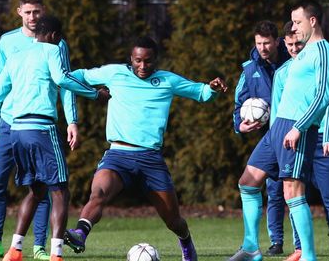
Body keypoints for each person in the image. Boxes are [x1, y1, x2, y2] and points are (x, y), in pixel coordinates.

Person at [64, 36, 228, 261]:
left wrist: (213, 88)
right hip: (118, 154)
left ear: (156, 60)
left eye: (148, 61)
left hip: (151, 159)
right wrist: (92, 93)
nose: (143, 66)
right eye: (138, 61)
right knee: (98, 192)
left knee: (173, 220)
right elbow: (77, 76)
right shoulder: (114, 73)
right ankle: (80, 233)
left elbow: (200, 93)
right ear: (131, 59)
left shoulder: (167, 80)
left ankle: (187, 243)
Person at [0, 15, 110, 261]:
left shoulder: (16, 57)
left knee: (37, 190)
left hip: (16, 130)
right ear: (53, 36)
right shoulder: (52, 51)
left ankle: (14, 250)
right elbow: (62, 79)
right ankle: (56, 254)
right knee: (60, 191)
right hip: (41, 128)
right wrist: (96, 95)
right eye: (59, 37)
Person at [228, 0, 329, 261]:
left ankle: (309, 257)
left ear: (312, 21)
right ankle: (251, 248)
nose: (294, 28)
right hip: (277, 127)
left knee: (292, 192)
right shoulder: (302, 54)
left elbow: (325, 94)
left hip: (295, 128)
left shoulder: (323, 51)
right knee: (247, 182)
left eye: (298, 22)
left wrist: (300, 127)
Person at [0, 0, 79, 261]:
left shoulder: (57, 45)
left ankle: (39, 246)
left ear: (43, 12)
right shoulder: (8, 42)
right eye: (28, 12)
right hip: (11, 121)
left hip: (35, 122)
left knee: (41, 185)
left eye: (37, 12)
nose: (33, 17)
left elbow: (64, 85)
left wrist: (72, 120)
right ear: (19, 12)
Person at [274, 24, 329, 261]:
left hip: (319, 138)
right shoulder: (283, 73)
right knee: (294, 193)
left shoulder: (318, 58)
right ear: (284, 45)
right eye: (290, 45)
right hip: (293, 140)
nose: (295, 49)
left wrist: (328, 133)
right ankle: (300, 248)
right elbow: (279, 110)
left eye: (299, 43)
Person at [232, 21, 290, 256]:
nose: (263, 47)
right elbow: (239, 103)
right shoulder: (249, 69)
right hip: (271, 137)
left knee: (305, 188)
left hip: (297, 132)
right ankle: (275, 242)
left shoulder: (293, 60)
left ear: (277, 41)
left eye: (267, 42)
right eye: (259, 43)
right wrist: (240, 125)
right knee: (273, 189)